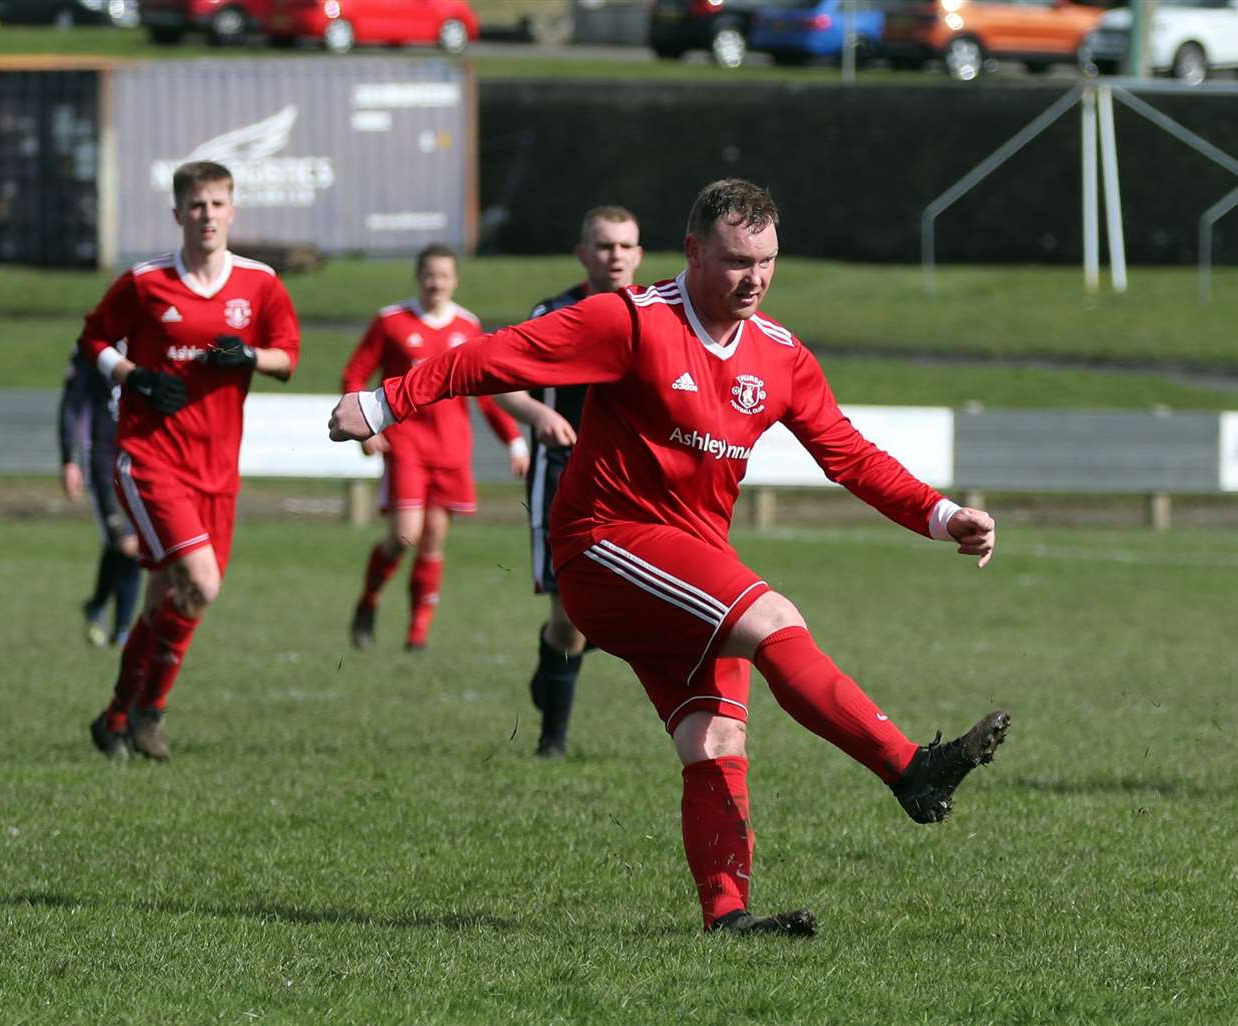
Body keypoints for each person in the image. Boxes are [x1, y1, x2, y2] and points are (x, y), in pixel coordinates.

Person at [331, 178, 1009, 935]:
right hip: (604, 546)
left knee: (714, 736)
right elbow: (498, 357)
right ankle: (911, 768)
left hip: (687, 565)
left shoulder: (781, 357)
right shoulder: (629, 321)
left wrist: (943, 514)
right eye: (735, 261)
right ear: (691, 251)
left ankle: (728, 916)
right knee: (773, 618)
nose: (754, 278)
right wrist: (387, 402)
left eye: (768, 261)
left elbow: (847, 454)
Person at [488, 206, 751, 758]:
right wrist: (539, 416)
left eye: (625, 246)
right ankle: (552, 740)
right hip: (564, 478)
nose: (615, 256)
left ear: (639, 253)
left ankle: (558, 688)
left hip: (642, 488)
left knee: (627, 618)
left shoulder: (665, 314)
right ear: (584, 253)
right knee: (570, 625)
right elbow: (503, 376)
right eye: (604, 246)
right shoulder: (556, 311)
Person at [81, 159, 300, 761]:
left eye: (217, 204)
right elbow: (93, 339)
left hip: (217, 470)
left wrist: (249, 355)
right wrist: (134, 376)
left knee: (166, 599)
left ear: (233, 211)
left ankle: (116, 716)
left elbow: (288, 356)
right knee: (199, 584)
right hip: (150, 456)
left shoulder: (259, 284)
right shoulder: (145, 282)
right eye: (196, 205)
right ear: (178, 214)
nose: (207, 216)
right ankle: (151, 712)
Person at [342, 245, 528, 652]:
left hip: (450, 450)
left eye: (444, 275)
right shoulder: (391, 322)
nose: (436, 283)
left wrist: (514, 439)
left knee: (433, 540)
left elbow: (485, 392)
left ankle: (417, 636)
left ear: (455, 279)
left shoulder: (468, 325)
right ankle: (368, 601)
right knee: (404, 536)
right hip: (406, 445)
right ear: (417, 275)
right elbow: (355, 373)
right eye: (429, 275)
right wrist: (368, 429)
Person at [58, 340, 144, 648]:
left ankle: (102, 611)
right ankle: (121, 631)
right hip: (102, 461)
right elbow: (71, 404)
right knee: (127, 543)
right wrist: (69, 460)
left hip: (143, 460)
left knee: (130, 544)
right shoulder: (92, 346)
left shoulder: (152, 334)